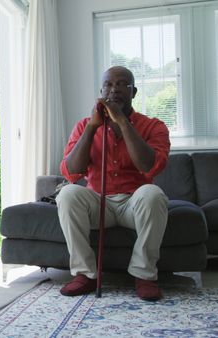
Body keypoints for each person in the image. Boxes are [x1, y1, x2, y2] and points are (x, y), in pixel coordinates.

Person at [55, 66, 171, 301]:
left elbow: (149, 166)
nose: (114, 89)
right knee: (67, 194)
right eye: (108, 84)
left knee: (153, 193)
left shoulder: (153, 126)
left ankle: (144, 275)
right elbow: (71, 171)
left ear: (134, 91)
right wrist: (92, 127)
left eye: (121, 84)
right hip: (99, 203)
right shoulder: (85, 125)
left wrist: (122, 122)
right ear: (101, 90)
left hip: (134, 202)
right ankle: (85, 275)